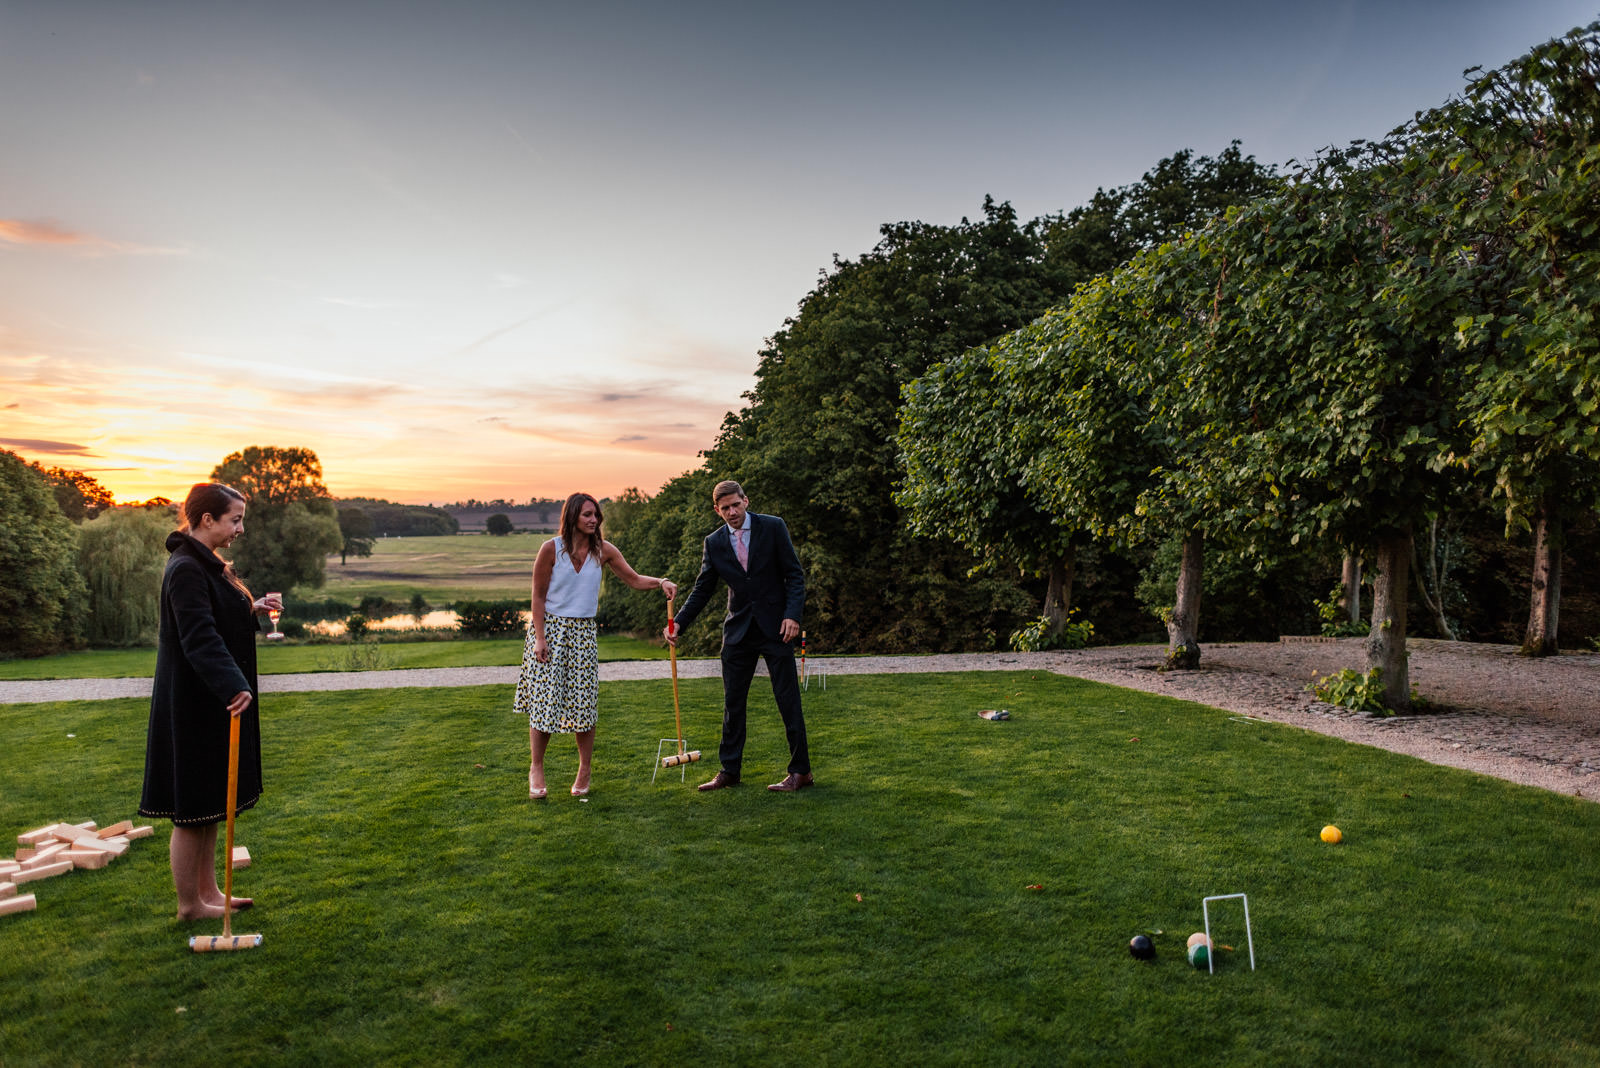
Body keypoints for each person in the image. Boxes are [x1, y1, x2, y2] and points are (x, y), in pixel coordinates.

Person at [139, 483, 281, 921]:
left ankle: (209, 894)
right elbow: (198, 637)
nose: (240, 528)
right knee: (192, 808)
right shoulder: (185, 568)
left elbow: (212, 619)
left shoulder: (204, 565)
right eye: (234, 519)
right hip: (196, 703)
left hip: (212, 701)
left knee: (211, 805)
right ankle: (189, 906)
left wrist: (250, 609)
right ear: (206, 520)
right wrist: (233, 684)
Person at [514, 492, 677, 798]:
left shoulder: (603, 551)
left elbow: (634, 579)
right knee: (545, 703)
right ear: (572, 516)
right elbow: (537, 597)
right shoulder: (551, 549)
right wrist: (539, 637)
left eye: (596, 515)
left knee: (584, 705)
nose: (593, 520)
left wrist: (661, 582)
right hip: (550, 630)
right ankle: (536, 767)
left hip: (584, 634)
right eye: (587, 514)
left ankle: (585, 769)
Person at [665, 480, 813, 792]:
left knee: (788, 700)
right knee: (733, 703)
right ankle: (729, 771)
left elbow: (794, 575)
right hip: (738, 632)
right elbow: (703, 588)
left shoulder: (773, 527)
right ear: (717, 510)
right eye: (725, 508)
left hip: (777, 629)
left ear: (745, 500)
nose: (732, 511)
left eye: (736, 504)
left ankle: (801, 773)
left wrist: (792, 615)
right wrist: (678, 623)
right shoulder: (714, 542)